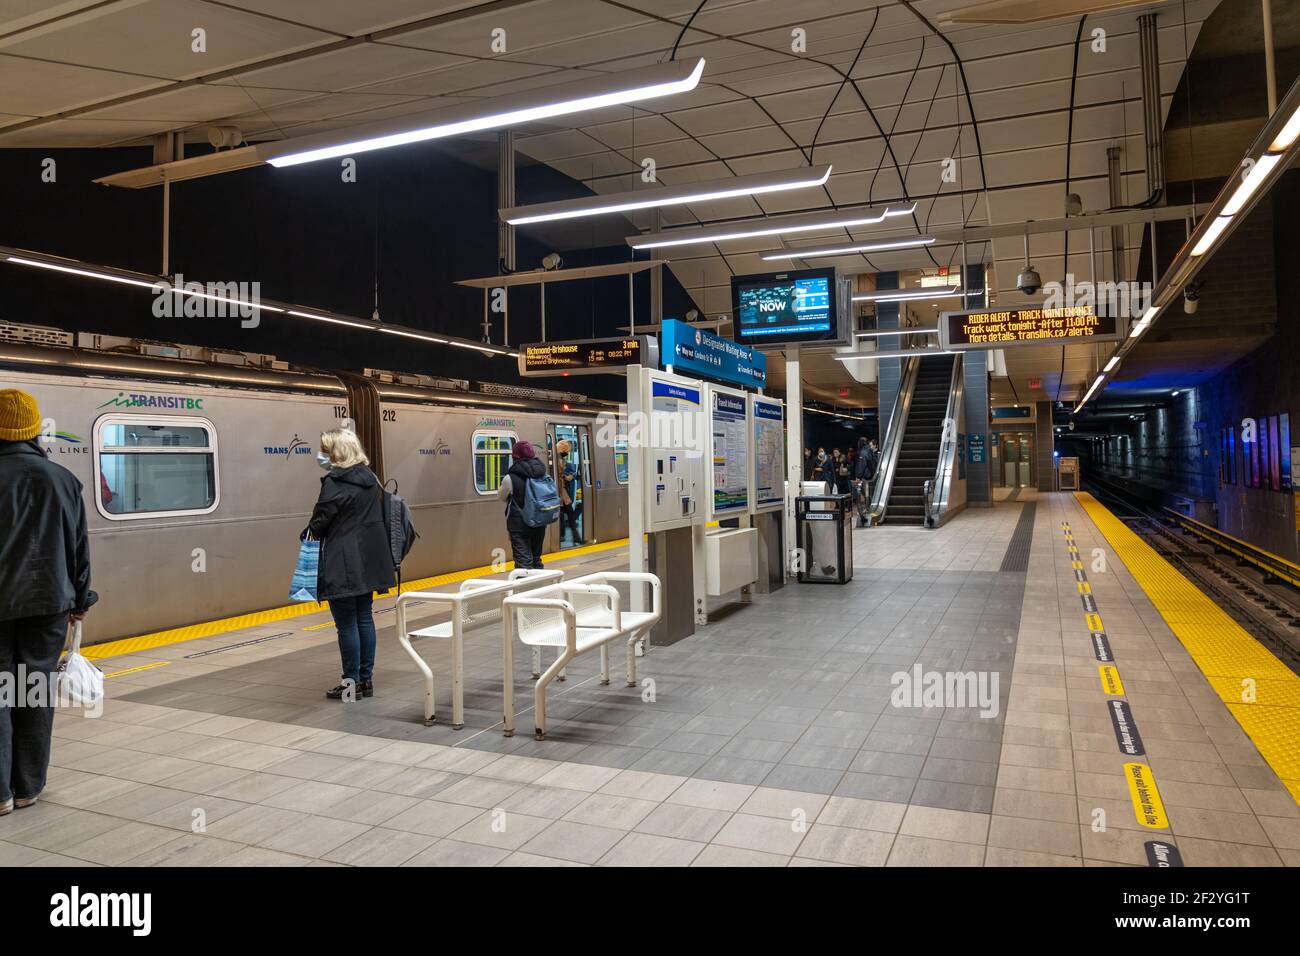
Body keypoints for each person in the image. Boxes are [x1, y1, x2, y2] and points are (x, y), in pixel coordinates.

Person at [0, 389, 96, 816]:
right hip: (50, 603)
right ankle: (27, 787)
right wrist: (81, 600)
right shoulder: (63, 480)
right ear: (34, 429)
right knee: (34, 689)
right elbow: (79, 549)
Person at [307, 427, 395, 701]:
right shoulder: (370, 479)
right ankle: (365, 681)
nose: (320, 455)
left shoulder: (334, 483)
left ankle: (351, 684)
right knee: (364, 617)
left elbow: (320, 524)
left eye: (324, 450)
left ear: (336, 453)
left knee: (346, 623)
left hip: (343, 562)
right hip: (367, 560)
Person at [498, 439, 548, 570]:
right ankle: (542, 588)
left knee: (523, 563)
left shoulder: (510, 478)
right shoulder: (542, 473)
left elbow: (501, 496)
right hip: (539, 522)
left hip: (519, 526)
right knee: (536, 559)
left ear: (515, 456)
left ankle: (525, 589)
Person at [853, 436, 879, 527]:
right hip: (871, 477)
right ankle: (868, 510)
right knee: (868, 495)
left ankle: (866, 512)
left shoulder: (863, 453)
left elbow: (861, 466)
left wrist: (858, 477)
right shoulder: (869, 451)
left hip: (865, 478)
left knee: (864, 495)